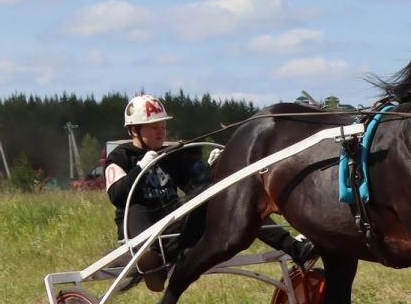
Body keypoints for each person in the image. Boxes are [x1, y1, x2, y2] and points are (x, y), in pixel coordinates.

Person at [105, 93, 312, 291]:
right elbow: (117, 195)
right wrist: (140, 169)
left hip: (173, 223)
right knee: (137, 207)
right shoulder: (120, 157)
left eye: (163, 126)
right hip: (140, 226)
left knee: (239, 204)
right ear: (134, 131)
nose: (161, 132)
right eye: (153, 128)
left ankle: (294, 248)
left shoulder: (171, 155)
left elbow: (198, 189)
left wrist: (215, 168)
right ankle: (151, 260)